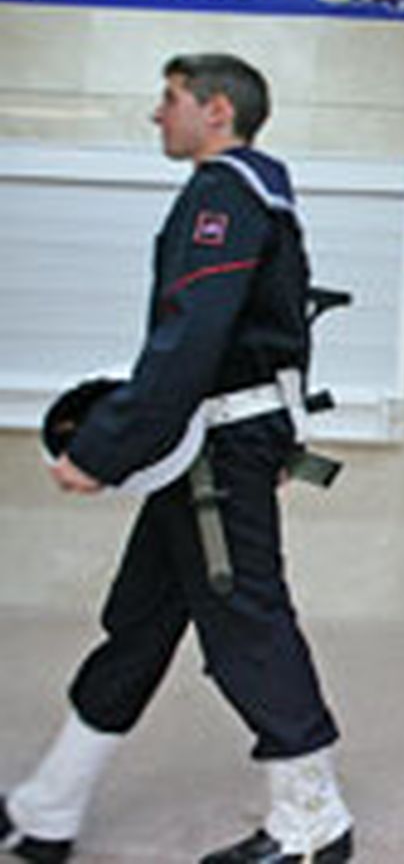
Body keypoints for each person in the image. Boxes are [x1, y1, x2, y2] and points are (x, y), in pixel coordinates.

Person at [1, 55, 353, 863]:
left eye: (170, 100)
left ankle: (313, 822)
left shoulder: (226, 195)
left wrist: (103, 449)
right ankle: (47, 809)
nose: (157, 115)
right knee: (140, 624)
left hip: (214, 451)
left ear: (217, 110)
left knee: (247, 621)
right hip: (209, 446)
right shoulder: (253, 194)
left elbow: (192, 336)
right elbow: (256, 336)